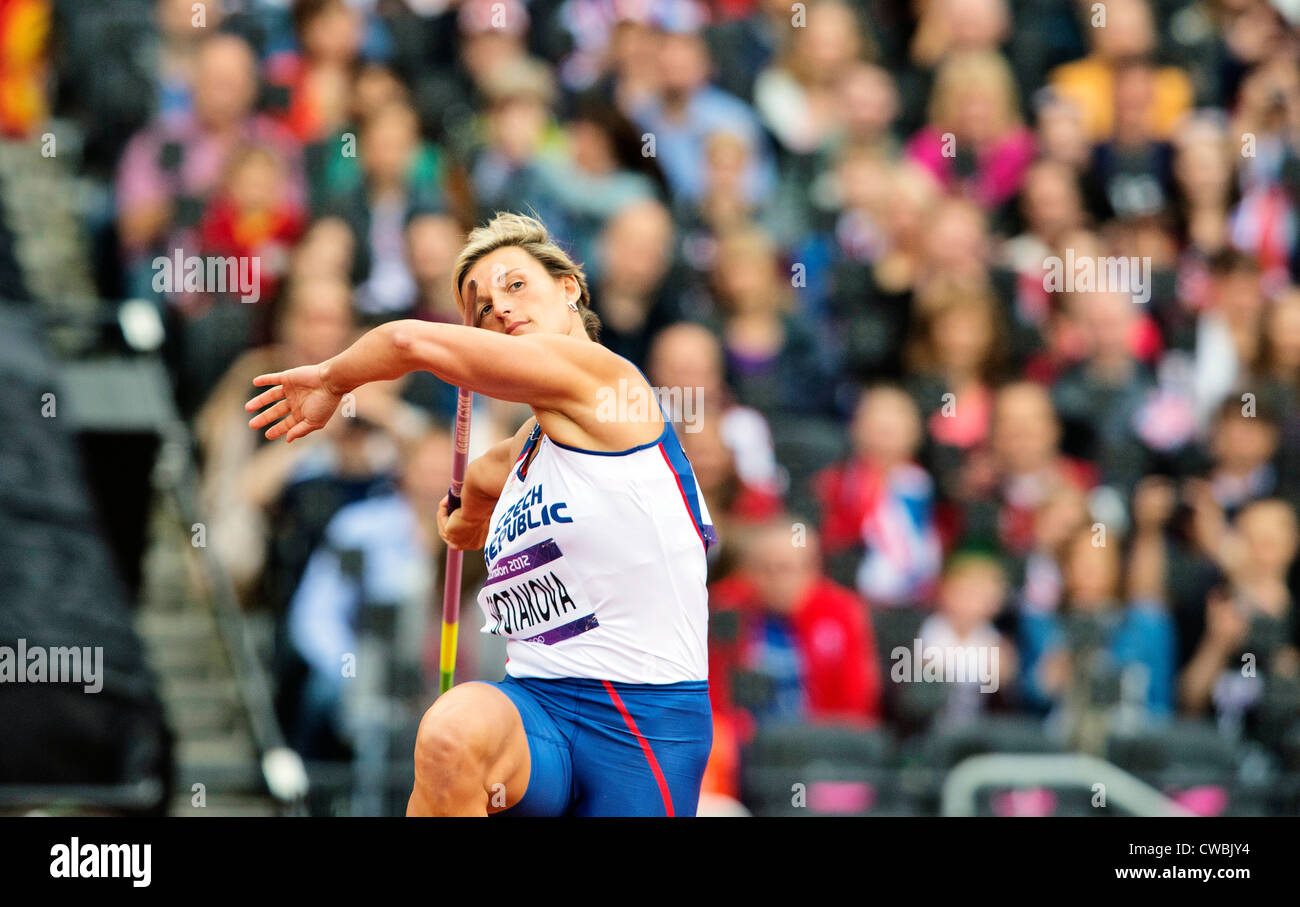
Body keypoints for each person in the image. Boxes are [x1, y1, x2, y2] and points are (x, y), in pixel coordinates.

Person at [245, 212, 716, 816]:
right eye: (484, 306)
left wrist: (336, 380)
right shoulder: (526, 448)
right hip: (537, 705)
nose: (500, 310)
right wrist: (465, 520)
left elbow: (407, 343)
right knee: (450, 733)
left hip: (644, 720)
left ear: (569, 287)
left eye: (515, 285)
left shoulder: (607, 382)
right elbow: (475, 492)